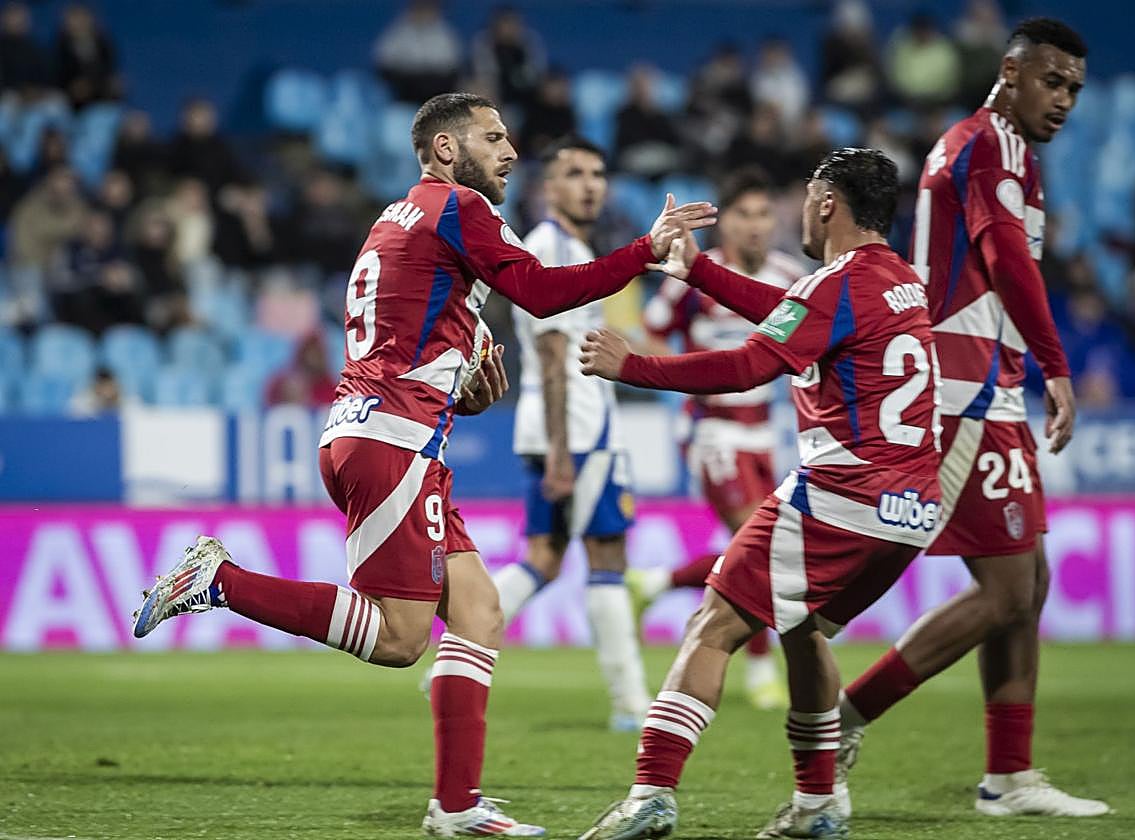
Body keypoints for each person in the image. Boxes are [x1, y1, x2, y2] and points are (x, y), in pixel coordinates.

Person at [132, 92, 716, 837]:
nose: (510, 152)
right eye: (493, 137)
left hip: (390, 436)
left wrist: (464, 395)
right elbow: (539, 293)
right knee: (401, 639)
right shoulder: (456, 208)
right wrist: (645, 250)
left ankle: (456, 805)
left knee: (479, 611)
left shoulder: (394, 218)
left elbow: (409, 345)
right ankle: (220, 580)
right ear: (446, 148)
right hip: (392, 442)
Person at [577, 148, 941, 840]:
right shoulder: (901, 280)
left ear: (827, 202)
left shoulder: (838, 282)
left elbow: (750, 364)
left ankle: (651, 796)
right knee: (802, 633)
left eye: (804, 196)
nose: (792, 211)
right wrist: (701, 270)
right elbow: (791, 313)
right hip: (911, 512)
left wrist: (635, 367)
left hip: (842, 495)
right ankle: (817, 804)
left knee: (713, 624)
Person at [835, 18, 1110, 818]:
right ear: (1010, 72)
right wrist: (1057, 365)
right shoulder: (986, 145)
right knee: (1006, 588)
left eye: (1074, 91)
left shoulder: (1006, 149)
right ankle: (841, 717)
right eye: (1052, 83)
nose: (1063, 102)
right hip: (963, 387)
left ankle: (1011, 777)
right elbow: (1005, 259)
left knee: (1030, 580)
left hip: (990, 381)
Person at [488, 136, 651, 731]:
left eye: (598, 173)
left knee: (543, 558)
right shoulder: (553, 248)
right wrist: (561, 449)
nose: (590, 184)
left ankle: (455, 659)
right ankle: (632, 702)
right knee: (607, 556)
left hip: (556, 425)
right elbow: (555, 357)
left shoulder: (564, 246)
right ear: (548, 188)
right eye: (575, 173)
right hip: (578, 429)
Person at [634, 167, 805, 711]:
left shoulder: (788, 275)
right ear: (724, 222)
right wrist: (680, 372)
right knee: (757, 542)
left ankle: (660, 581)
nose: (755, 226)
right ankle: (759, 670)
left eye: (762, 214)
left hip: (765, 433)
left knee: (752, 548)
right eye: (742, 215)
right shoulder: (694, 278)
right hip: (710, 431)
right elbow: (650, 330)